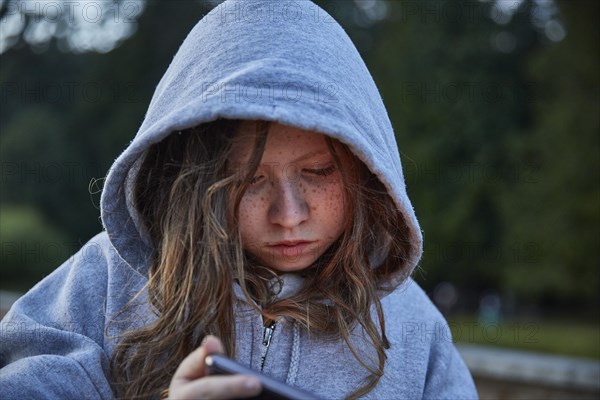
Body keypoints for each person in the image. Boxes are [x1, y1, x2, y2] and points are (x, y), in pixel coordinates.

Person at [0, 0, 478, 399]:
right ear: (191, 184)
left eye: (317, 172)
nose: (289, 215)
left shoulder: (417, 332)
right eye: (247, 181)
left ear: (366, 172)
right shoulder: (103, 286)